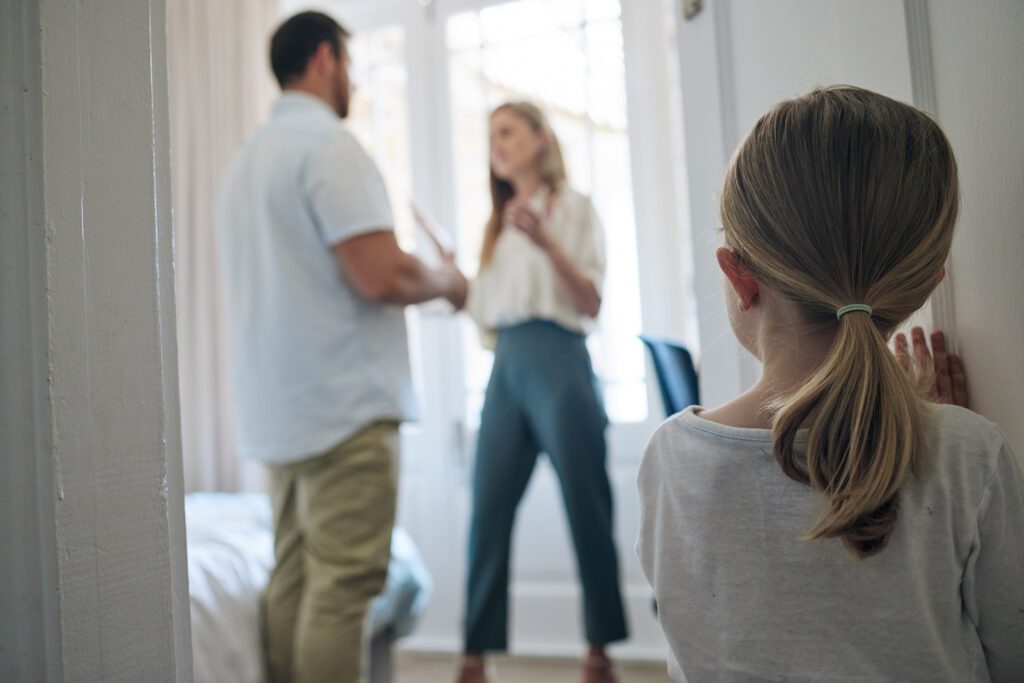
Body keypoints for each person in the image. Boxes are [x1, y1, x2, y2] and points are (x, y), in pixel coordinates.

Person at [637, 85, 1024, 681]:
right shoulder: (967, 454)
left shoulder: (671, 459)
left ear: (738, 277)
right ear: (925, 284)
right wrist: (935, 436)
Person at [215, 11, 467, 683]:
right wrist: (449, 280)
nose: (351, 79)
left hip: (279, 412)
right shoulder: (327, 147)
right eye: (350, 64)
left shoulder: (244, 165)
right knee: (344, 587)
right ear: (325, 59)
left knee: (293, 579)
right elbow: (381, 273)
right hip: (343, 409)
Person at [446, 101, 628, 683]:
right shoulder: (495, 226)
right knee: (487, 507)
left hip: (561, 360)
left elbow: (592, 302)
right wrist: (455, 284)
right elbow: (484, 311)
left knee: (586, 502)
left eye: (506, 131)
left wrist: (549, 242)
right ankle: (474, 654)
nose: (495, 144)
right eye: (490, 135)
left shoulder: (574, 209)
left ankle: (598, 650)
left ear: (540, 138)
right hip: (508, 365)